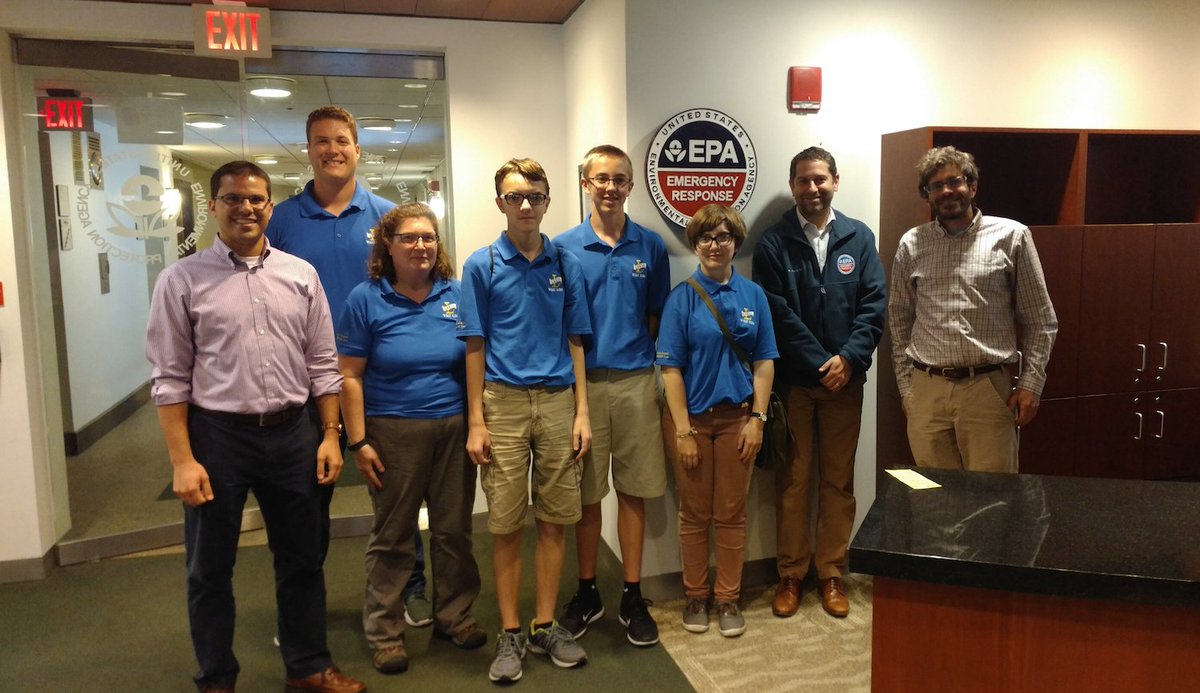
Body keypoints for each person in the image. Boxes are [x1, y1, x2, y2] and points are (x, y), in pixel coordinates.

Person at [146, 160, 366, 693]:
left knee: (303, 559)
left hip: (294, 433)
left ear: (271, 206)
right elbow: (170, 378)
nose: (245, 208)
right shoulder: (182, 279)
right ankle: (217, 678)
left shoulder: (299, 275)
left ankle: (308, 666)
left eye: (255, 199)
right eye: (232, 198)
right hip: (218, 437)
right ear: (215, 206)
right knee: (209, 568)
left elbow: (322, 365)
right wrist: (182, 459)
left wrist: (330, 436)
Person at [267, 105, 432, 626]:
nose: (332, 149)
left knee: (398, 495)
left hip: (376, 384)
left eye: (342, 140)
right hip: (305, 385)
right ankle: (303, 610)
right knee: (306, 504)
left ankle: (413, 588)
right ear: (308, 150)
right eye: (321, 141)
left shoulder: (387, 218)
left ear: (358, 149)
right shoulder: (283, 220)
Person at [457, 158, 593, 684]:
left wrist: (582, 412)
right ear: (500, 204)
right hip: (504, 402)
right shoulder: (482, 265)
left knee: (557, 518)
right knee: (507, 522)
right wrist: (476, 420)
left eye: (535, 195)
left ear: (547, 200)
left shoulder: (566, 262)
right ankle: (510, 630)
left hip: (559, 399)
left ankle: (544, 624)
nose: (526, 205)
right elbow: (474, 345)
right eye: (515, 197)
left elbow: (576, 338)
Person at [336, 203, 485, 675]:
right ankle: (385, 634)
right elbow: (349, 376)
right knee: (393, 536)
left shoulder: (456, 294)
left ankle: (454, 617)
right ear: (388, 244)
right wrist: (358, 442)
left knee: (453, 531)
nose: (421, 245)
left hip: (452, 427)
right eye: (409, 238)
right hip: (391, 431)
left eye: (428, 237)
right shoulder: (366, 298)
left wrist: (477, 422)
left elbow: (472, 360)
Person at [752, 146, 887, 619]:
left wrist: (848, 360)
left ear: (835, 181)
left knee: (838, 482)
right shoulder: (773, 242)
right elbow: (777, 313)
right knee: (793, 482)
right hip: (794, 385)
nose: (812, 189)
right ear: (792, 186)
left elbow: (874, 305)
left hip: (845, 385)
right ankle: (790, 574)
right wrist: (820, 362)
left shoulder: (859, 237)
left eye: (820, 180)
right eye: (803, 181)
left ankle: (831, 573)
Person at [554, 145, 670, 647]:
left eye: (619, 179)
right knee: (585, 495)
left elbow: (655, 318)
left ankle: (631, 592)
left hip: (635, 382)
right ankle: (587, 592)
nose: (610, 187)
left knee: (634, 489)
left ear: (630, 186)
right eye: (600, 178)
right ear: (585, 182)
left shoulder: (651, 245)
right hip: (580, 388)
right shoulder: (562, 247)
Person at [888, 146, 1058, 472]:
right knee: (934, 501)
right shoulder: (912, 243)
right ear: (927, 195)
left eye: (954, 181)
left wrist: (1031, 385)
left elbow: (1041, 320)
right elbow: (898, 319)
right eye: (936, 186)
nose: (947, 191)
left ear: (973, 185)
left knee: (991, 502)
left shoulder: (1012, 236)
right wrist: (907, 389)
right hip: (927, 390)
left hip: (986, 390)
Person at [657, 204, 778, 639]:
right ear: (695, 244)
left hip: (738, 421)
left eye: (723, 237)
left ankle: (727, 598)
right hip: (690, 422)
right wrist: (683, 430)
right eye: (706, 237)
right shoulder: (681, 298)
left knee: (731, 513)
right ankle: (696, 595)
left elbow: (764, 362)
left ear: (736, 243)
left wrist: (758, 420)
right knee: (693, 513)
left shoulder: (754, 296)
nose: (714, 245)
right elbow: (670, 370)